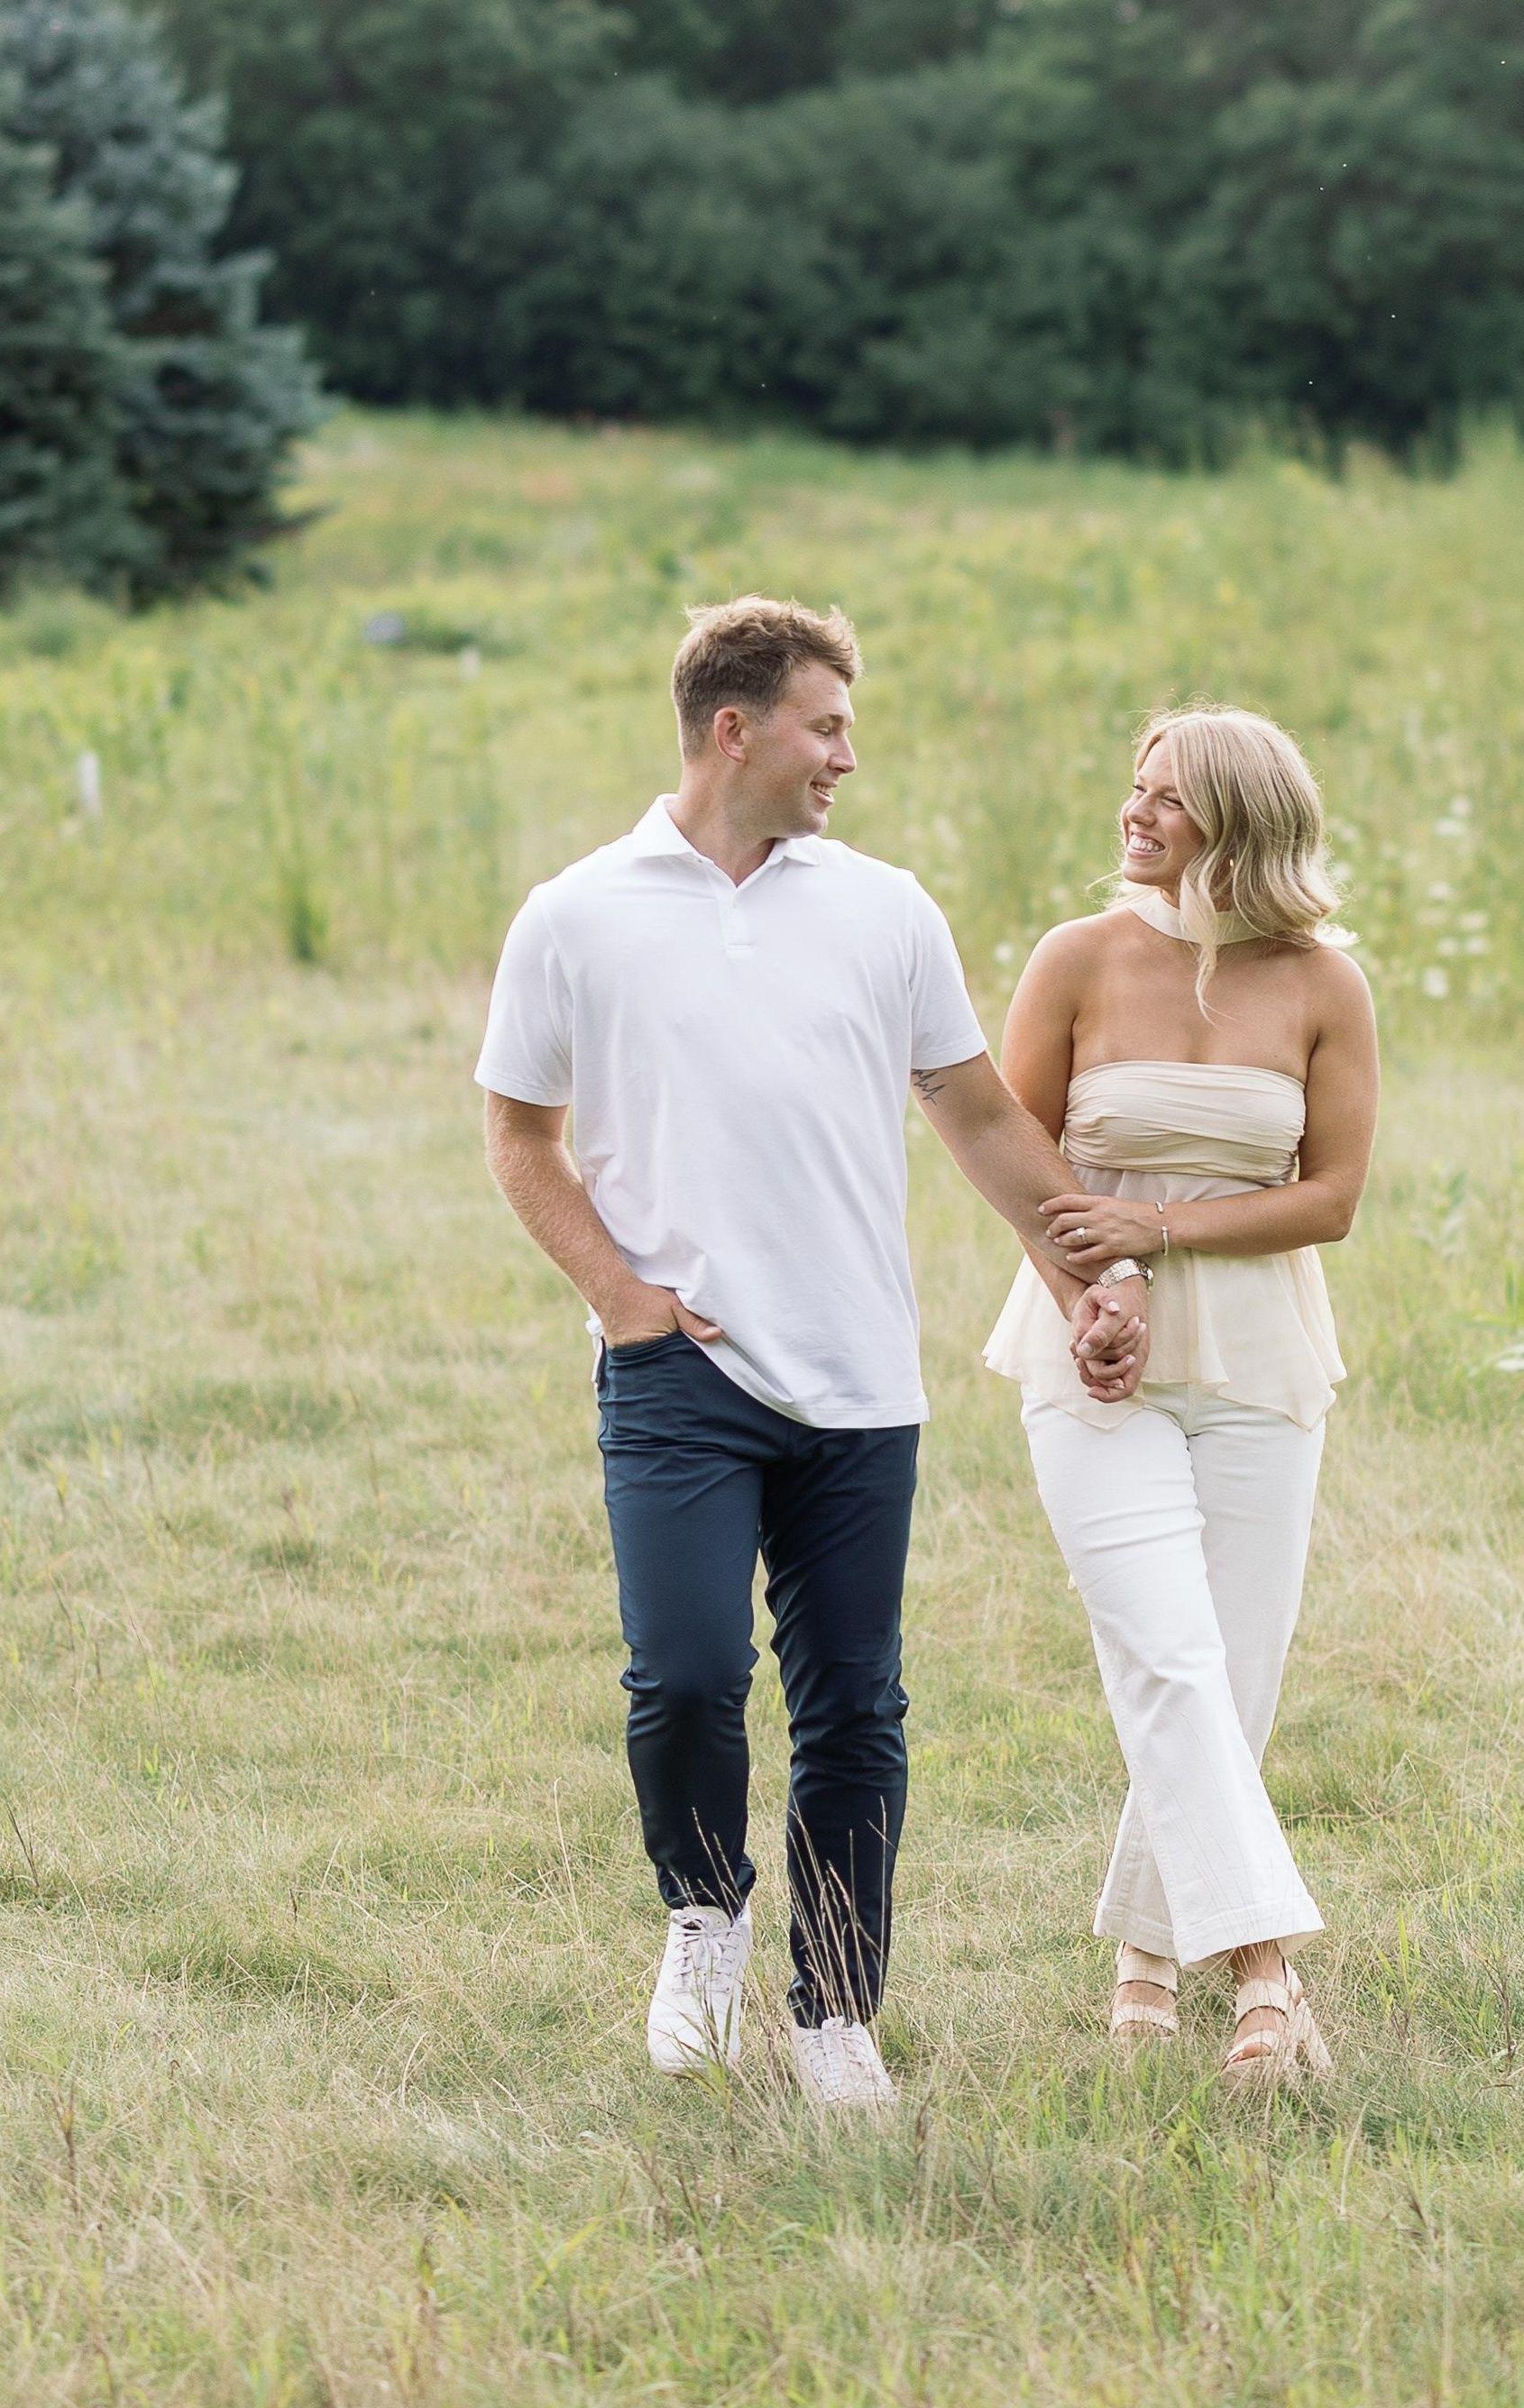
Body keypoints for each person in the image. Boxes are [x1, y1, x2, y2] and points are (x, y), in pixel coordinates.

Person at [477, 596, 1146, 2111]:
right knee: (687, 1674)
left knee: (853, 1706)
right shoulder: (575, 915)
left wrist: (1086, 1274)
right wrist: (621, 1298)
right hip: (679, 1370)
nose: (847, 755)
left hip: (857, 1375)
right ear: (736, 730)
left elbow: (977, 1114)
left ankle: (836, 2011)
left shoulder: (884, 911)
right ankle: (703, 1925)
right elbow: (519, 1135)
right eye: (825, 725)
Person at [985, 703, 1379, 2089]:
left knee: (1232, 1668)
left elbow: (1331, 1197)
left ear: (1240, 823)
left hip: (1260, 1354)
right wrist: (1095, 1286)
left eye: (1166, 796)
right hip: (1090, 1349)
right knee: (1162, 1646)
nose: (1133, 812)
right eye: (1133, 787)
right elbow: (1012, 1152)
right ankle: (1264, 1967)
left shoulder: (1324, 985)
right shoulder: (1077, 958)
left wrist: (1159, 1231)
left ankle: (1148, 1956)